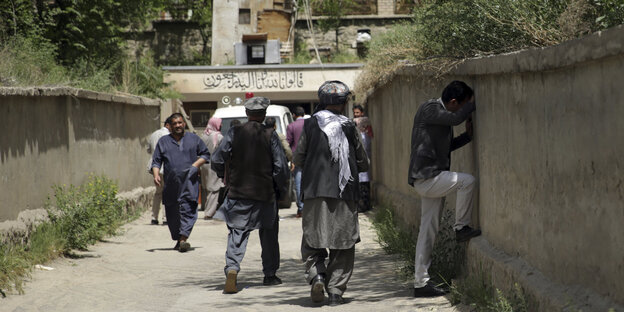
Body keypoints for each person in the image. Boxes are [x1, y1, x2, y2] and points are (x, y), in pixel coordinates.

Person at [294, 81, 369, 306]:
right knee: (343, 244)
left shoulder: (310, 125)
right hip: (346, 194)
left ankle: (317, 275)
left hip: (315, 192)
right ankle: (335, 291)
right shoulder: (349, 126)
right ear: (344, 102)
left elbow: (298, 158)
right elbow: (362, 161)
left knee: (311, 240)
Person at [408, 80, 482, 297]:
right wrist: (473, 105)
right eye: (460, 105)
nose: (461, 110)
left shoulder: (440, 118)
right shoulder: (430, 108)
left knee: (427, 232)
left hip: (431, 177)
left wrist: (467, 137)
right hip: (427, 177)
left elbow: (447, 146)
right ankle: (461, 228)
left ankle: (420, 284)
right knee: (467, 181)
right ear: (452, 102)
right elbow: (455, 117)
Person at [211, 96, 289, 294]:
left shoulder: (234, 132)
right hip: (265, 193)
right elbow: (280, 167)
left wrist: (225, 177)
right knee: (269, 235)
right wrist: (280, 189)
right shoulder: (270, 135)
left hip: (238, 193)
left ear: (247, 114)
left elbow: (218, 159)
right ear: (263, 114)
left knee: (237, 233)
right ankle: (270, 275)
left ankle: (232, 269)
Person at [151, 113, 210, 252]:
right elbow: (156, 161)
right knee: (172, 212)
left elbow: (205, 154)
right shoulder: (163, 141)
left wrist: (195, 166)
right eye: (175, 123)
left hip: (189, 182)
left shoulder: (194, 138)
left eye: (180, 122)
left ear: (184, 124)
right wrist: (156, 175)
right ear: (169, 126)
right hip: (171, 183)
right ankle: (179, 239)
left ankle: (183, 239)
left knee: (189, 208)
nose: (178, 125)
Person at [200, 117, 225, 220]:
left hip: (203, 165)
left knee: (207, 188)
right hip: (214, 166)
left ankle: (207, 208)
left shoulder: (204, 135)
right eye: (220, 123)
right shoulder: (218, 137)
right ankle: (209, 213)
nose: (221, 125)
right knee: (214, 189)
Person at [147, 117, 171, 225]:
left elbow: (148, 150)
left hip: (154, 167)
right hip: (164, 167)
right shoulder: (168, 136)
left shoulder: (153, 134)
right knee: (166, 192)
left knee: (158, 193)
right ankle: (166, 218)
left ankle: (154, 217)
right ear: (168, 125)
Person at [286, 106, 306, 217]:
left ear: (294, 115)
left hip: (297, 159)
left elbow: (288, 143)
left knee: (298, 183)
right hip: (310, 159)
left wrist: (290, 159)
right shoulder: (310, 124)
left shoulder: (291, 126)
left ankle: (301, 208)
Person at [354, 117, 372, 212]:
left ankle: (365, 206)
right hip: (361, 165)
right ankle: (362, 205)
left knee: (364, 187)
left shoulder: (365, 136)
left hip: (364, 164)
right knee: (361, 188)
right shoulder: (360, 135)